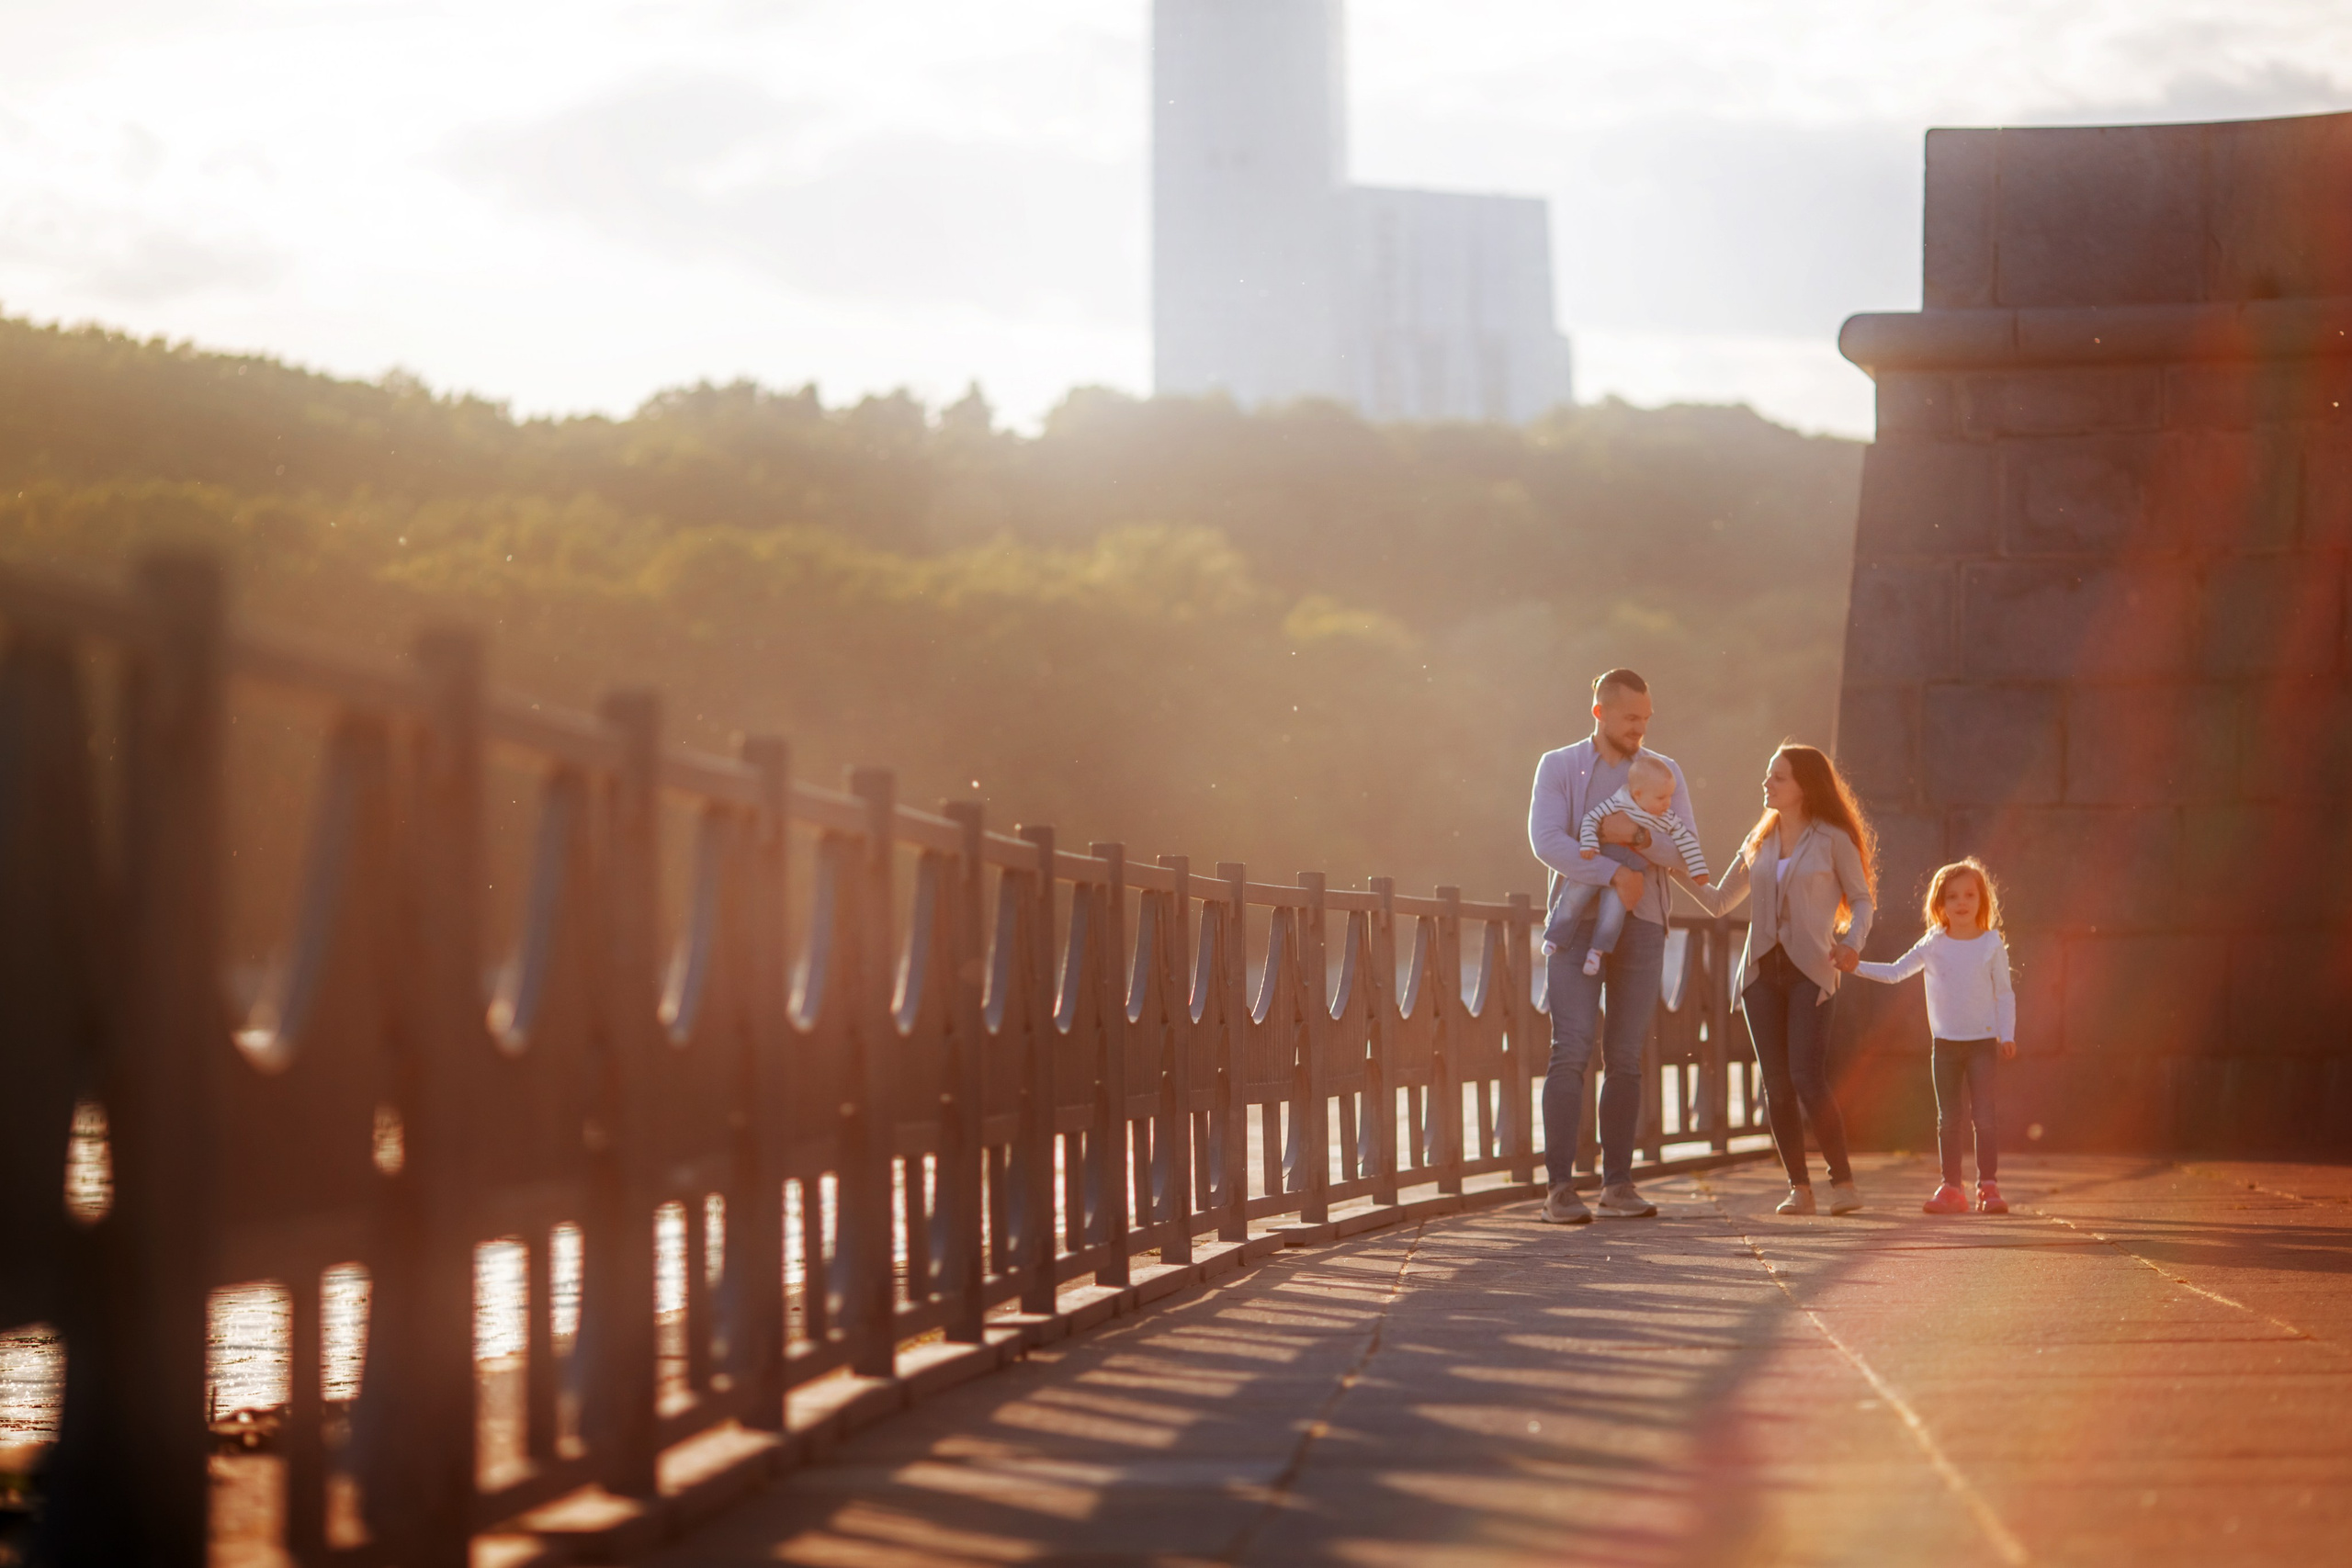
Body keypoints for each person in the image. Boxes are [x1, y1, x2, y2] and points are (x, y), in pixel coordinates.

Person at [1526, 669, 1703, 1224]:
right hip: (1577, 930)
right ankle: (1559, 1189)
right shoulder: (1558, 766)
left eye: (1647, 719)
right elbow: (1547, 841)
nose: (1641, 730)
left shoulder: (1663, 772)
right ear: (1599, 711)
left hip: (1645, 925)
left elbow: (1684, 850)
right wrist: (1612, 874)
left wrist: (1638, 836)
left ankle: (1618, 1185)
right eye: (1631, 719)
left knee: (1625, 1058)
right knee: (1571, 1048)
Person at [1689, 743, 1876, 1216]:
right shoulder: (1759, 839)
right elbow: (1718, 902)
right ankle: (1800, 1189)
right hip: (1759, 975)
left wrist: (1852, 943)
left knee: (1807, 1078)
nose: (1767, 784)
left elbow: (1862, 900)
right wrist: (1670, 862)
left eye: (1778, 777)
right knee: (1775, 1083)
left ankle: (1844, 1184)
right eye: (1768, 775)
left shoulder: (1833, 838)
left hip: (1812, 970)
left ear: (1804, 786)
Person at [1848, 858, 2017, 1215]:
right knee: (1949, 1118)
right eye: (1952, 896)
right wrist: (1855, 966)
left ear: (1982, 900)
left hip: (1983, 1044)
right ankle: (1951, 1188)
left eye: (1970, 894)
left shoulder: (1991, 943)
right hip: (1946, 1046)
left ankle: (1989, 1186)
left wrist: (2007, 1034)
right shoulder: (1934, 943)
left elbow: (2004, 993)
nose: (1962, 902)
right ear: (1940, 904)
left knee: (1985, 1116)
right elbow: (1896, 972)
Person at [1548, 752, 1711, 978]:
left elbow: (1687, 842)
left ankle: (1596, 951)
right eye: (1661, 798)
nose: (1668, 803)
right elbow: (1591, 819)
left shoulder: (1667, 817)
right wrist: (1589, 842)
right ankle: (1555, 936)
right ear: (1638, 794)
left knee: (1613, 912)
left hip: (1632, 873)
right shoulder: (1618, 801)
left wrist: (1698, 869)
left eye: (1670, 797)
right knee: (1575, 894)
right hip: (1597, 862)